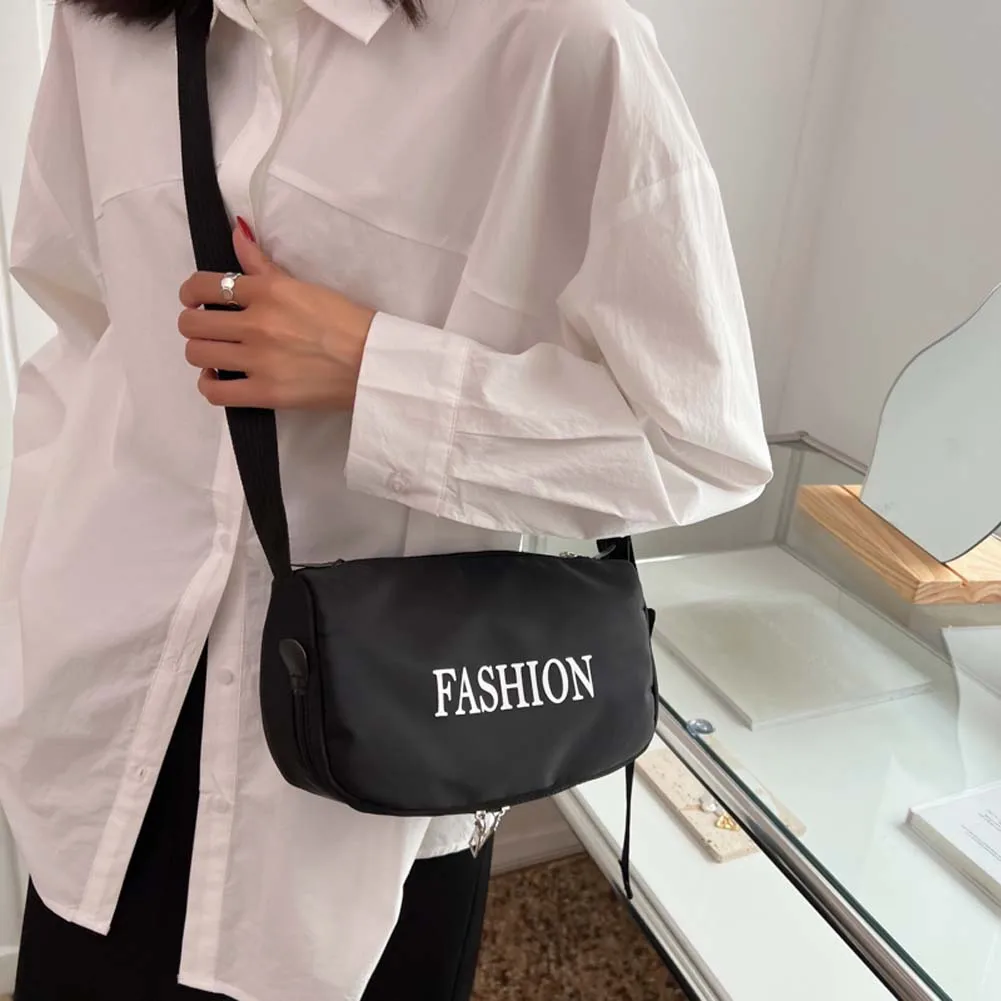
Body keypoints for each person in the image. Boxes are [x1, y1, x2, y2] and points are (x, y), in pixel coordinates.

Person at [0, 0, 772, 998]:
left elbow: (693, 439)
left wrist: (374, 370)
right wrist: (31, 605)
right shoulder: (104, 22)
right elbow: (75, 325)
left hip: (383, 749)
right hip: (113, 702)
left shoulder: (562, 42)